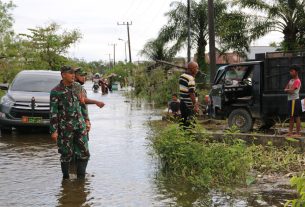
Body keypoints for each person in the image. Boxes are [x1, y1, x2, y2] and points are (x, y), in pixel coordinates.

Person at [50, 66, 90, 179]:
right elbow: (53, 112)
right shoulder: (56, 91)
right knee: (66, 153)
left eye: (73, 73)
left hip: (80, 125)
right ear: (63, 75)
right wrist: (54, 130)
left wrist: (87, 120)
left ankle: (81, 180)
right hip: (65, 127)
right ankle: (66, 179)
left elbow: (83, 105)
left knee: (84, 152)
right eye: (70, 73)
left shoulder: (77, 87)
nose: (73, 75)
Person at [179, 61, 199, 129]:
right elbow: (191, 93)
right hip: (189, 106)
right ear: (192, 68)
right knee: (191, 125)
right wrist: (195, 105)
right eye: (196, 68)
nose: (197, 70)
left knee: (183, 123)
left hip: (182, 103)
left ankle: (182, 138)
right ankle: (190, 138)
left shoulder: (182, 76)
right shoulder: (190, 79)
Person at [284, 65, 302, 137]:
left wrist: (287, 90)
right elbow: (286, 89)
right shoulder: (291, 80)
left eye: (292, 71)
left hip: (294, 100)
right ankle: (290, 132)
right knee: (291, 117)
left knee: (296, 116)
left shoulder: (297, 81)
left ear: (296, 72)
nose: (290, 72)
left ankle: (298, 133)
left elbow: (291, 91)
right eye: (290, 71)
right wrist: (288, 90)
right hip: (290, 100)